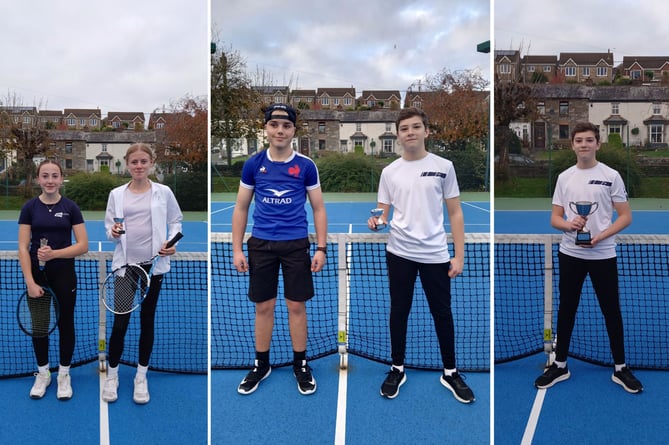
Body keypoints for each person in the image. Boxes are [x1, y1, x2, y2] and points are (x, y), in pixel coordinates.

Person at [368, 107, 474, 403]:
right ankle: (397, 367)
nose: (410, 132)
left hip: (436, 255)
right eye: (405, 128)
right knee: (399, 311)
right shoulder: (389, 172)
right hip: (399, 252)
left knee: (442, 313)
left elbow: (455, 212)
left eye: (416, 127)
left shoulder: (444, 166)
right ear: (398, 135)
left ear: (427, 131)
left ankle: (450, 372)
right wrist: (376, 222)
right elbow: (382, 213)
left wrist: (459, 255)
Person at [534, 122, 642, 393]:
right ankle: (560, 365)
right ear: (572, 145)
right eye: (579, 140)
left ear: (597, 144)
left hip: (604, 255)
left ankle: (620, 368)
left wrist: (603, 235)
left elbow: (626, 216)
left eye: (589, 140)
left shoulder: (611, 175)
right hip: (570, 254)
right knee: (567, 309)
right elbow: (554, 218)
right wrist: (569, 225)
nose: (584, 144)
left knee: (611, 310)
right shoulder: (564, 178)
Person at [232, 103, 327, 395]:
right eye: (274, 125)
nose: (280, 131)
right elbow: (241, 207)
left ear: (293, 130)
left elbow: (319, 208)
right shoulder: (253, 164)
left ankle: (300, 363)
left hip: (296, 245)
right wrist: (236, 248)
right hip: (261, 245)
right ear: (266, 129)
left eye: (286, 126)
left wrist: (321, 248)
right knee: (264, 306)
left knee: (296, 306)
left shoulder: (306, 166)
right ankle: (262, 364)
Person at [101, 143, 183, 404]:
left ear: (151, 163)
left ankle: (141, 376)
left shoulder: (164, 192)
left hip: (154, 267)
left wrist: (171, 244)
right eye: (134, 161)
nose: (138, 166)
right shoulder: (116, 194)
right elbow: (109, 226)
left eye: (143, 161)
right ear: (127, 164)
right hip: (126, 267)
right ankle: (112, 376)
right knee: (120, 323)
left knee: (147, 321)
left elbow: (176, 221)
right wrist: (112, 233)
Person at [18, 160, 89, 400]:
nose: (50, 180)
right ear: (39, 179)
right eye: (45, 176)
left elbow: (83, 245)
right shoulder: (29, 208)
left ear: (61, 179)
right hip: (37, 277)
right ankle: (43, 373)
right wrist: (29, 281)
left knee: (66, 324)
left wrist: (54, 254)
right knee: (40, 327)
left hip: (64, 275)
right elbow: (22, 246)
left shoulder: (71, 208)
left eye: (54, 176)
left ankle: (64, 375)